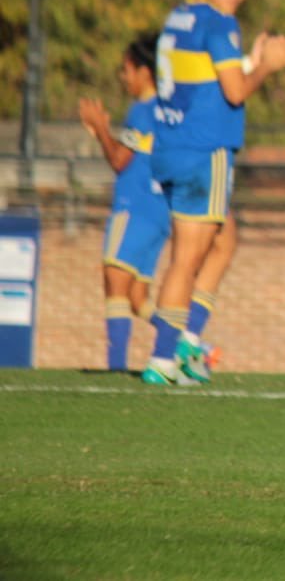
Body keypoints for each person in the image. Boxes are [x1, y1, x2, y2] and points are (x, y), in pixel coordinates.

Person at [142, 0, 285, 386]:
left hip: (172, 147)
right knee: (187, 258)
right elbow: (234, 92)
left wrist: (252, 60)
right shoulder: (220, 23)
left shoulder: (181, 16)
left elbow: (211, 79)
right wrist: (268, 66)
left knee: (225, 238)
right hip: (202, 150)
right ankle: (163, 359)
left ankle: (188, 338)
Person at [77, 34, 170, 372]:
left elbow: (120, 160)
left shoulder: (141, 111)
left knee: (114, 281)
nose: (123, 77)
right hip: (160, 215)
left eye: (127, 69)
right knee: (137, 298)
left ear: (144, 71)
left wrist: (101, 128)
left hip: (135, 207)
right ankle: (188, 344)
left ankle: (115, 369)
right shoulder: (168, 112)